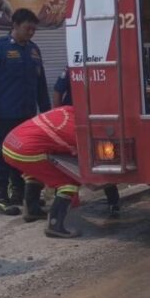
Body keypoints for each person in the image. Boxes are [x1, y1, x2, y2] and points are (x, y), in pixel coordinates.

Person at [0, 8, 50, 215]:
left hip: (27, 115)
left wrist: (46, 112)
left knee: (22, 155)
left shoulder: (34, 50)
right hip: (4, 114)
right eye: (28, 28)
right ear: (15, 25)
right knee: (0, 154)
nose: (31, 32)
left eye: (34, 29)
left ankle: (19, 193)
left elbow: (40, 84)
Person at [53, 67, 121, 218]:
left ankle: (113, 202)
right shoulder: (72, 69)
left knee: (104, 159)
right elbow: (58, 91)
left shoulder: (105, 67)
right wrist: (57, 115)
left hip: (97, 118)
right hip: (73, 118)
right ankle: (67, 201)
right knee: (66, 161)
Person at [2, 106, 80, 237]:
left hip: (9, 145)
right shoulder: (76, 128)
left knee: (36, 171)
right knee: (69, 182)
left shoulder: (65, 110)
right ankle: (55, 225)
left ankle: (32, 210)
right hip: (25, 150)